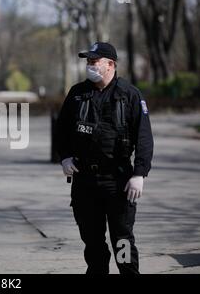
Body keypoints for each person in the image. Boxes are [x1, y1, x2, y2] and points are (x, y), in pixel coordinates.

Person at [55, 42, 154, 274]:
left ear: (111, 64)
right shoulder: (78, 93)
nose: (89, 65)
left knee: (122, 239)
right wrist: (65, 157)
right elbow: (62, 130)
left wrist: (140, 173)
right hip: (85, 180)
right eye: (88, 61)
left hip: (117, 180)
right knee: (93, 241)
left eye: (94, 61)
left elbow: (144, 138)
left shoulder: (129, 95)